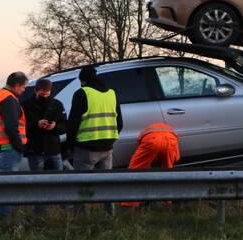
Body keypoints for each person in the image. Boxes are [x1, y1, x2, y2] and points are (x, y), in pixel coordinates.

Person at [66, 65, 123, 213]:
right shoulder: (112, 93)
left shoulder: (82, 93)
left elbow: (73, 123)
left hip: (86, 148)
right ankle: (110, 214)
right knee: (106, 184)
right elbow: (120, 123)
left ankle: (82, 215)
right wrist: (109, 139)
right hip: (107, 148)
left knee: (83, 185)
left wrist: (70, 146)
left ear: (83, 81)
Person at [0, 72, 29, 222]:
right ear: (16, 86)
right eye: (23, 87)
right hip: (6, 147)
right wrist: (19, 147)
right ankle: (4, 221)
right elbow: (11, 127)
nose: (24, 90)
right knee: (6, 187)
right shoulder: (9, 99)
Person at [21, 78, 68, 216]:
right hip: (35, 150)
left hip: (53, 149)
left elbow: (65, 126)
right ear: (36, 90)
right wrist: (37, 124)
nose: (45, 97)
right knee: (38, 185)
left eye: (47, 94)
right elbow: (22, 127)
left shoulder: (57, 104)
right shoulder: (26, 105)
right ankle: (39, 214)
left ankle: (62, 212)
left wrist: (55, 127)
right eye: (42, 94)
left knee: (59, 182)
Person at [122, 123, 180, 208]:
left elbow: (145, 153)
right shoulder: (170, 131)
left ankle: (130, 204)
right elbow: (176, 158)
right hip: (170, 141)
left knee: (134, 170)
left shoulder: (144, 133)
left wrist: (150, 161)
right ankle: (167, 202)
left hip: (152, 140)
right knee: (167, 172)